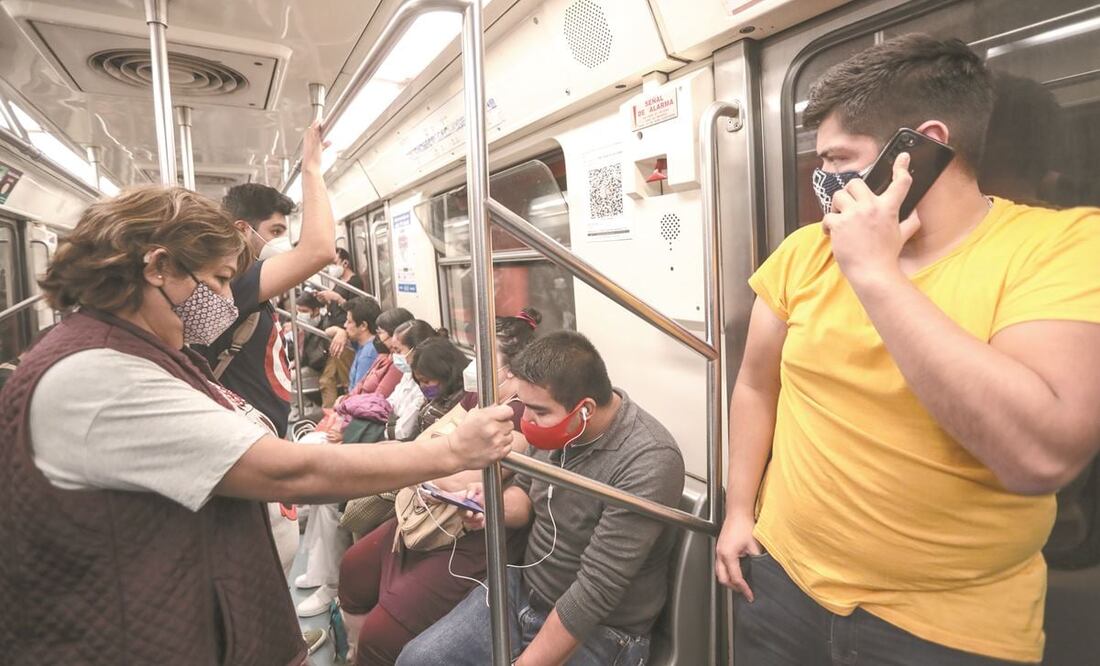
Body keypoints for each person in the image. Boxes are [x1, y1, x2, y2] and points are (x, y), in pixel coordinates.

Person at [0, 185, 517, 664]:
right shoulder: (99, 373)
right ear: (158, 266)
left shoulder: (127, 351)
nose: (228, 300)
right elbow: (285, 473)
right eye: (221, 278)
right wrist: (451, 453)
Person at [714, 34, 1100, 666]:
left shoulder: (1057, 247)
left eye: (840, 158)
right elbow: (757, 385)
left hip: (945, 629)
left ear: (921, 148)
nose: (826, 178)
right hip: (781, 582)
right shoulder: (804, 253)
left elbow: (1040, 454)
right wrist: (737, 512)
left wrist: (876, 272)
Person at [398, 331, 685, 666]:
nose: (527, 421)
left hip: (602, 626)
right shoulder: (559, 426)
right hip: (524, 588)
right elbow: (527, 493)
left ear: (585, 410)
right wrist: (492, 507)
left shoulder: (649, 459)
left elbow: (596, 590)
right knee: (417, 659)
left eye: (537, 411)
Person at [338, 334, 535, 666]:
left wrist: (413, 463)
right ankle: (354, 653)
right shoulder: (477, 399)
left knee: (382, 633)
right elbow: (430, 441)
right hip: (424, 510)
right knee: (354, 568)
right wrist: (423, 459)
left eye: (486, 361)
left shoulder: (518, 417)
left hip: (465, 530)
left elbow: (463, 478)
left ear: (512, 373)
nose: (473, 368)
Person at [195, 124, 336, 438]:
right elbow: (320, 250)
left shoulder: (249, 280)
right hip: (243, 436)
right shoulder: (236, 279)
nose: (283, 242)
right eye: (275, 232)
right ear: (243, 229)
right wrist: (311, 170)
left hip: (260, 432)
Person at [334, 296, 382, 394]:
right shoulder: (362, 343)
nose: (345, 325)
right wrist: (340, 332)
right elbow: (327, 331)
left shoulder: (368, 355)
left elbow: (359, 392)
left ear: (363, 326)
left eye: (349, 322)